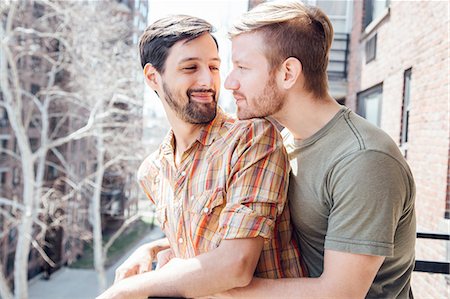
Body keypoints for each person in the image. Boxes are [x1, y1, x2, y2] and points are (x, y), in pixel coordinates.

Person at [97, 14, 306, 299]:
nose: (207, 80)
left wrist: (122, 292)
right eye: (190, 68)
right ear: (152, 77)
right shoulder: (153, 171)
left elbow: (235, 264)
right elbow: (198, 245)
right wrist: (152, 248)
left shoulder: (251, 139)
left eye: (214, 67)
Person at [221, 1, 416, 298]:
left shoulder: (364, 159)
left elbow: (340, 292)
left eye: (242, 68)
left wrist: (217, 289)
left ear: (288, 73)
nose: (229, 82)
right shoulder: (282, 144)